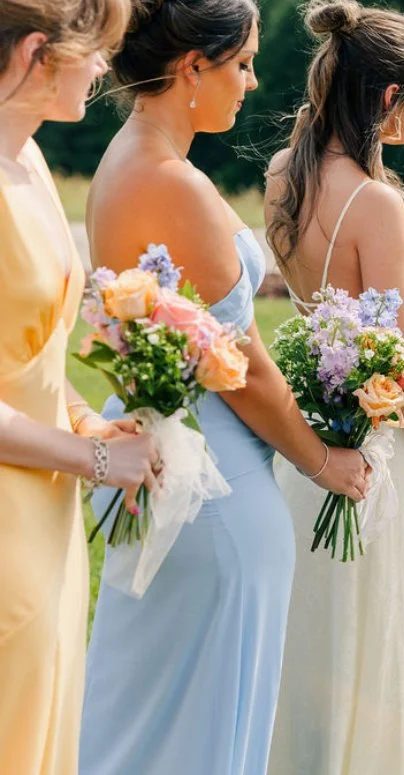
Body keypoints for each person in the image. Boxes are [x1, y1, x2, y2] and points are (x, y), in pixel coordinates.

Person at [80, 2, 370, 773]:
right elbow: (238, 365)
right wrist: (320, 461)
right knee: (204, 711)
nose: (250, 82)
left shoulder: (130, 158)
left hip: (170, 455)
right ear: (191, 68)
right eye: (240, 63)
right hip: (211, 482)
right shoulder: (170, 181)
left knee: (154, 705)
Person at [263, 3, 404, 774]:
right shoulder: (375, 201)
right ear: (387, 99)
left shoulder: (286, 171)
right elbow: (401, 351)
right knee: (363, 638)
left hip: (303, 438)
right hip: (366, 446)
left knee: (308, 633)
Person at [0, 1, 157, 772]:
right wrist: (92, 461)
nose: (104, 69)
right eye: (94, 52)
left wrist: (90, 422)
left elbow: (28, 355)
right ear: (37, 51)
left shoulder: (27, 160)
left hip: (47, 510)